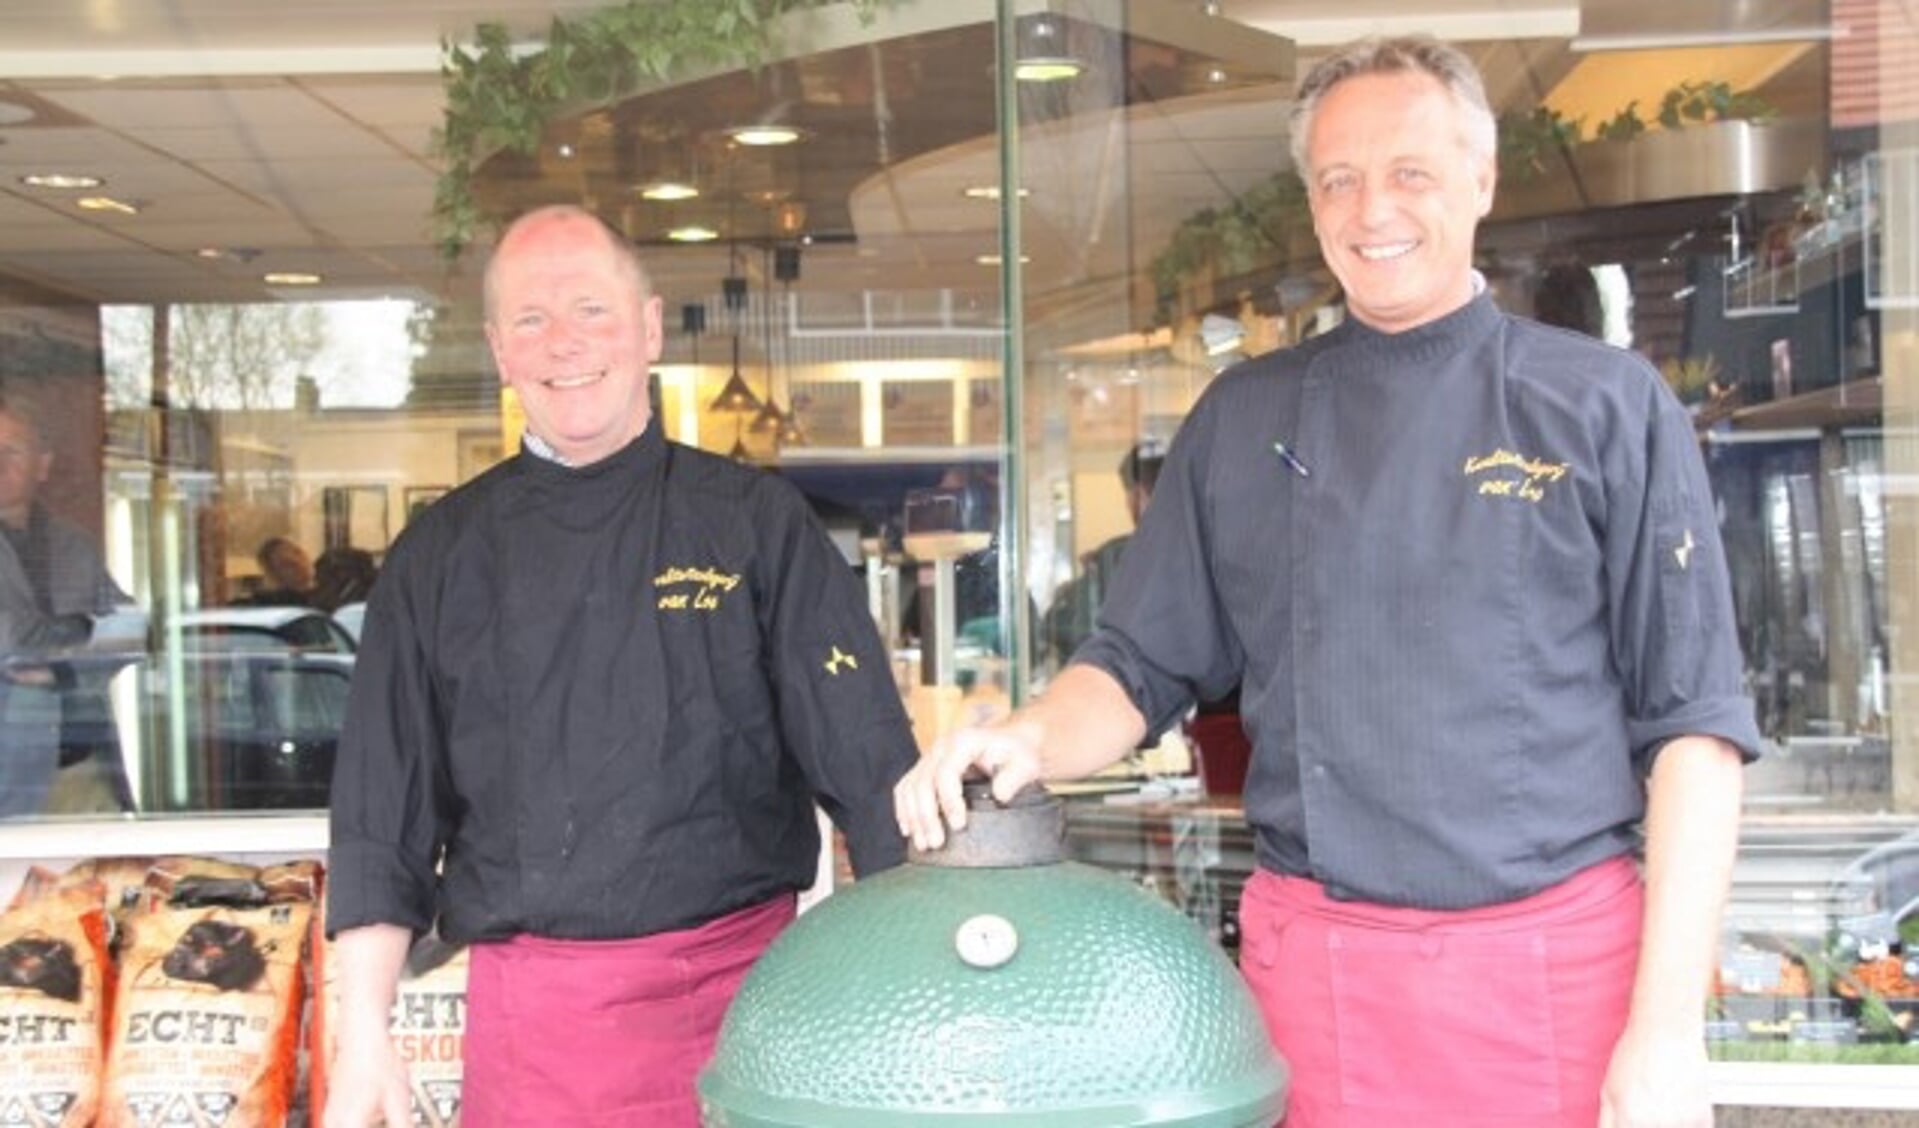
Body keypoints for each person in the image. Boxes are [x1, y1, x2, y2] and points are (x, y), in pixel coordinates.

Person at [897, 36, 1757, 1128]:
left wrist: (1666, 1032)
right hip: (1317, 985)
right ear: (1310, 204)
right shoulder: (1242, 418)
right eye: (1336, 180)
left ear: (1480, 182)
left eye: (1409, 172)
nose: (1370, 209)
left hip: (1553, 977)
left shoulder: (1600, 405)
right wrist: (1023, 737)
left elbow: (1694, 734)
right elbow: (1135, 665)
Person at [324, 205, 918, 1127]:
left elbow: (872, 768)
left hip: (751, 1010)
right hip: (540, 1039)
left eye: (592, 310)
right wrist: (361, 1035)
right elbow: (379, 816)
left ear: (646, 330)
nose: (564, 342)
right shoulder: (438, 557)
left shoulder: (756, 524)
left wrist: (920, 981)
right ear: (498, 351)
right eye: (531, 319)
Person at [0, 402, 134, 816]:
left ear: (43, 465)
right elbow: (11, 643)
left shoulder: (72, 544)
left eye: (11, 451)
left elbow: (131, 631)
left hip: (81, 767)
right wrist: (85, 633)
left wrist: (59, 666)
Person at [1040, 443, 1163, 666]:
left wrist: (1069, 593)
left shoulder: (1118, 556)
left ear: (1138, 494)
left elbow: (1064, 629)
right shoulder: (1206, 551)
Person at [244, 535, 314, 606]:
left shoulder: (322, 592)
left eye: (297, 553)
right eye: (287, 564)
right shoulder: (265, 605)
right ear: (272, 573)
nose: (298, 562)